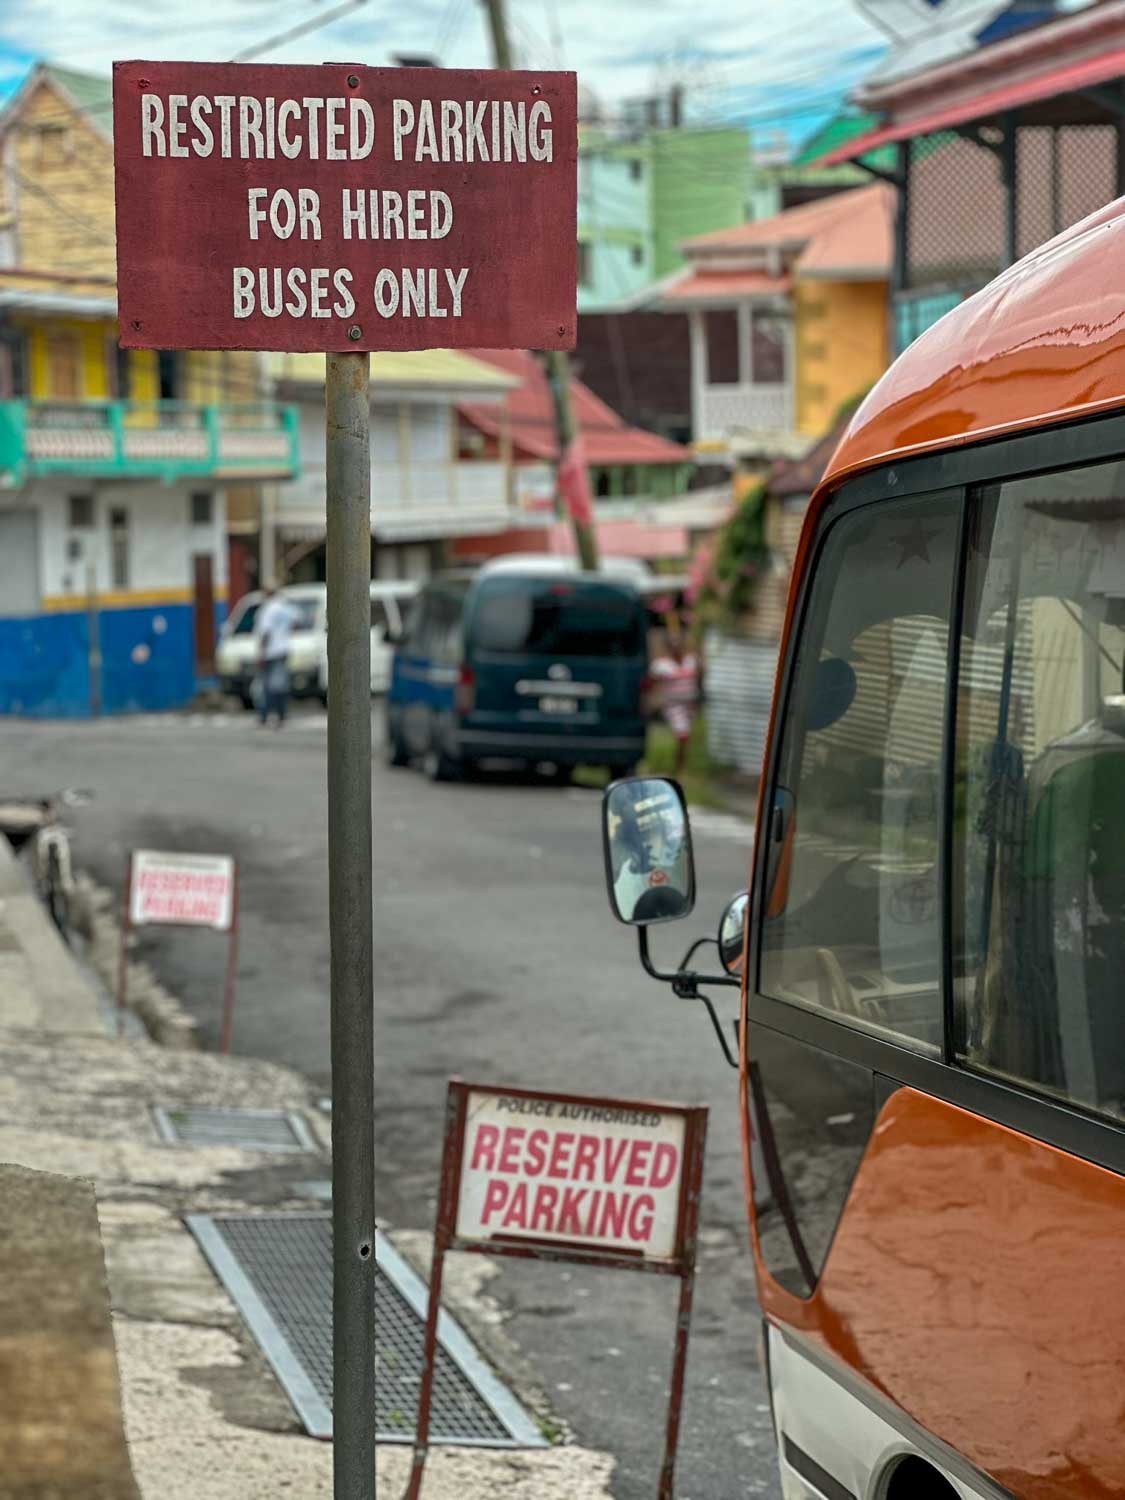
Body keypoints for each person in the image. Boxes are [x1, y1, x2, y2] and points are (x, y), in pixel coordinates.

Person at [650, 625, 700, 777]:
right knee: (681, 735)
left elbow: (701, 676)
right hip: (674, 706)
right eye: (672, 642)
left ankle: (683, 768)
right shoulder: (662, 665)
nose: (676, 645)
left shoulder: (691, 661)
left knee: (689, 738)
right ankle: (676, 768)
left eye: (678, 641)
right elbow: (651, 683)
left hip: (690, 705)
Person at [254, 581, 299, 728]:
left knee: (267, 685)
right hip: (283, 649)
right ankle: (281, 715)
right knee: (281, 683)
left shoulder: (268, 609)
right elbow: (297, 621)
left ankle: (265, 716)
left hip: (270, 651)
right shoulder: (285, 607)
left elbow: (265, 632)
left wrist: (261, 653)